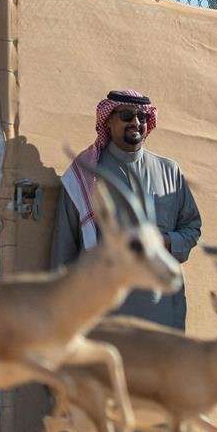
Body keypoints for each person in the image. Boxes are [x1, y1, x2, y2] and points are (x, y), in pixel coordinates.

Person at [50, 89, 202, 327]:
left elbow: (192, 228)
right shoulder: (84, 174)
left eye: (142, 117)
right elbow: (64, 249)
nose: (136, 122)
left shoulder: (169, 171)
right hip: (105, 312)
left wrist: (166, 241)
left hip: (162, 309)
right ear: (108, 120)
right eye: (127, 115)